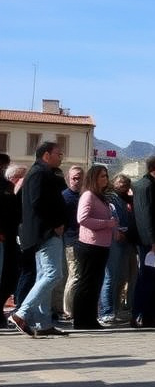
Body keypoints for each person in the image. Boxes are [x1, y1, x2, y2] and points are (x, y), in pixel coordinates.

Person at [10, 142, 68, 337]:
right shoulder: (38, 174)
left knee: (44, 276)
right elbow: (37, 203)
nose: (61, 157)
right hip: (45, 233)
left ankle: (43, 323)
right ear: (46, 155)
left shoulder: (45, 174)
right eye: (58, 153)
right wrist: (55, 224)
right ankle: (21, 314)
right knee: (54, 274)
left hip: (45, 232)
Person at [72, 165, 120, 330]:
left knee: (95, 283)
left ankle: (90, 318)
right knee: (86, 282)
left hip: (102, 245)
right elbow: (82, 219)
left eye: (106, 176)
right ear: (93, 178)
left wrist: (113, 226)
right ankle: (79, 319)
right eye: (101, 176)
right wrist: (107, 223)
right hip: (89, 245)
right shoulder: (88, 195)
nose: (105, 179)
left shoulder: (102, 197)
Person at [131, 155, 155, 328]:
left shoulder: (151, 185)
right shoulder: (146, 185)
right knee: (146, 277)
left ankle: (149, 315)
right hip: (148, 241)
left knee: (152, 278)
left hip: (151, 238)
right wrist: (153, 239)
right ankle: (139, 314)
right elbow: (145, 215)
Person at [100, 173, 136, 324]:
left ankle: (115, 309)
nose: (123, 185)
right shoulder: (109, 198)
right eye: (120, 182)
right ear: (113, 182)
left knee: (120, 278)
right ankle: (106, 311)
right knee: (110, 277)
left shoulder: (127, 200)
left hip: (127, 241)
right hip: (115, 240)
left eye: (126, 183)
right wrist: (117, 231)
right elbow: (111, 217)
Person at [0, 162, 26, 327]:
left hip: (12, 238)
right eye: (22, 176)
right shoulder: (7, 189)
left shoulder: (13, 191)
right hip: (4, 238)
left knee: (10, 278)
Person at [57, 165, 83, 321]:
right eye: (74, 178)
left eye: (80, 178)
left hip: (85, 241)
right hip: (71, 241)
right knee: (74, 276)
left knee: (79, 276)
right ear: (68, 179)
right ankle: (68, 311)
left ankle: (77, 308)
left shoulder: (85, 196)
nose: (77, 181)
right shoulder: (64, 197)